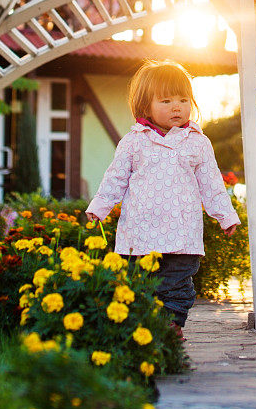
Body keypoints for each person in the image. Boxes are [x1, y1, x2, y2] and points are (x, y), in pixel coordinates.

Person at [85, 60, 240, 334]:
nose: (177, 107)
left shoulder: (197, 142)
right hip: (140, 233)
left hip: (182, 234)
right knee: (139, 282)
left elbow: (212, 184)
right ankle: (144, 326)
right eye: (166, 100)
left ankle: (172, 325)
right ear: (145, 106)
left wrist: (225, 216)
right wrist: (100, 206)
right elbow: (115, 179)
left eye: (183, 99)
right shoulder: (133, 142)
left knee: (178, 283)